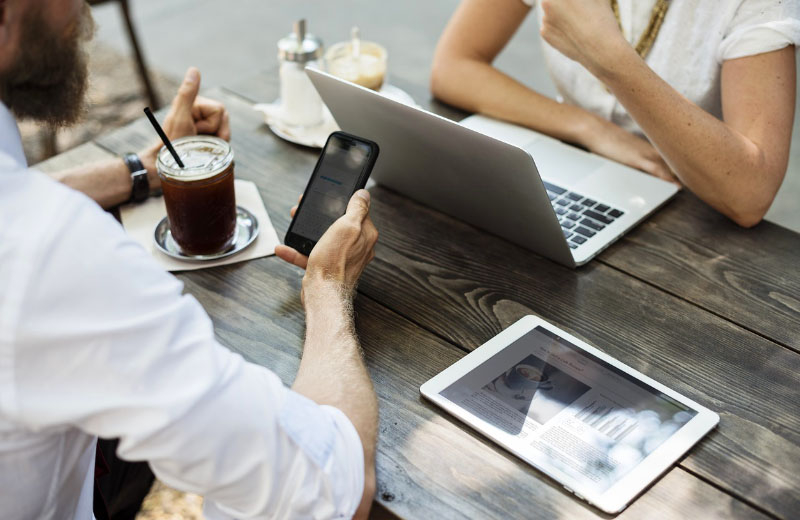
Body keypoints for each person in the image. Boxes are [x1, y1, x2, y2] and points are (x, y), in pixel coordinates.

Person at [0, 1, 379, 519]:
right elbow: (330, 487)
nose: (84, 11)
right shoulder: (50, 249)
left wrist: (142, 170)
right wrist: (329, 285)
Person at [431, 0, 799, 227]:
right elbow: (453, 66)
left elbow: (750, 194)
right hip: (573, 173)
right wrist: (590, 128)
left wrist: (608, 58)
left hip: (690, 207)